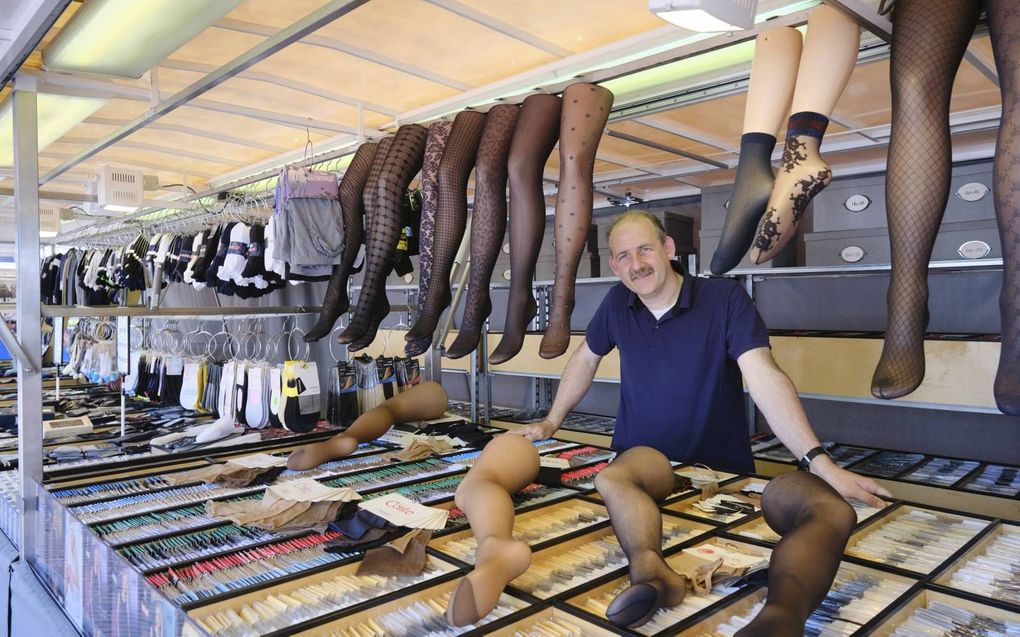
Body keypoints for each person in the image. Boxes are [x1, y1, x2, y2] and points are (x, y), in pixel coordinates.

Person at [452, 210, 890, 635]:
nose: (635, 265)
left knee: (817, 504)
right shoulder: (618, 302)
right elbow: (585, 359)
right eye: (622, 256)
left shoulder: (723, 298)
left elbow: (764, 375)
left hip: (722, 471)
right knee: (613, 478)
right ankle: (650, 571)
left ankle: (775, 616)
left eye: (644, 250)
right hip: (646, 468)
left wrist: (818, 461)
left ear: (668, 248)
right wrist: (551, 421)